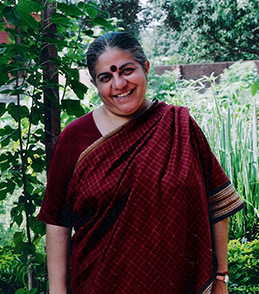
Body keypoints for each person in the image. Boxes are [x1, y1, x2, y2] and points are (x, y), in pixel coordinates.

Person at [38, 31, 244, 294]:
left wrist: (220, 278)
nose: (119, 84)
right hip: (97, 284)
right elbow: (57, 222)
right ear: (95, 84)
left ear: (145, 68)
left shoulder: (178, 127)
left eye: (126, 70)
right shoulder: (76, 138)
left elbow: (217, 204)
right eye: (106, 77)